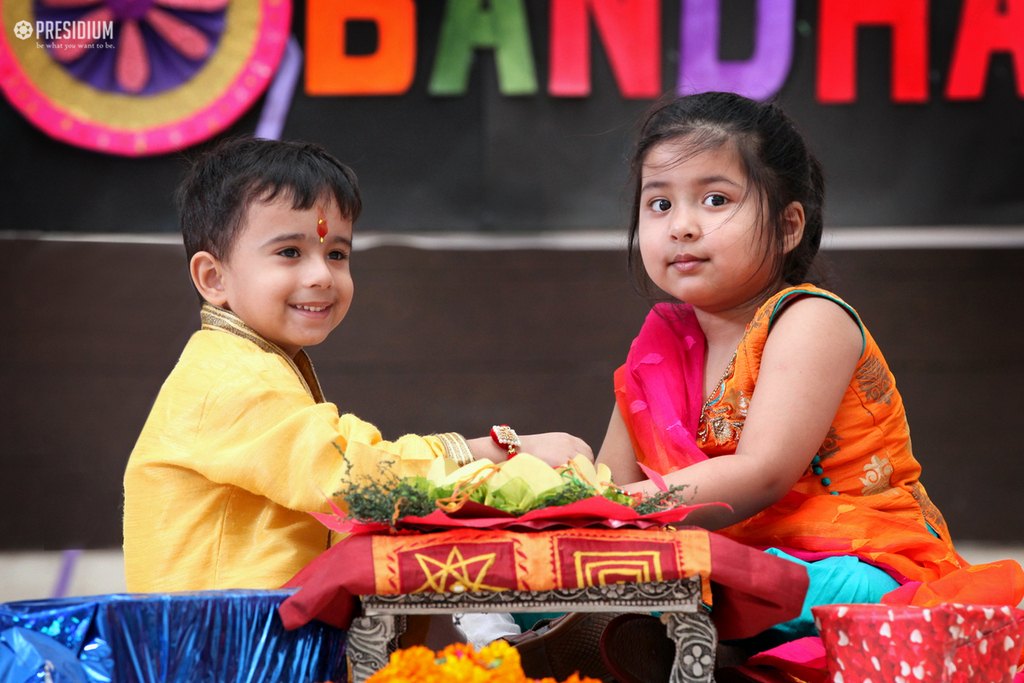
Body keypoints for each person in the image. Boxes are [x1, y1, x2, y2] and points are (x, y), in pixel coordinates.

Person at [592, 92, 1022, 669]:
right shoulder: (657, 348)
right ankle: (672, 632)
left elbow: (760, 473)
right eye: (660, 204)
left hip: (856, 567)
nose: (683, 227)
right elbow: (608, 494)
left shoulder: (810, 319)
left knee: (807, 585)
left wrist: (609, 508)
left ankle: (683, 633)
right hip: (716, 562)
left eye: (715, 199)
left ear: (789, 224)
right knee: (553, 580)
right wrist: (551, 492)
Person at [123, 138, 590, 594]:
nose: (322, 275)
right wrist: (502, 449)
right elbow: (355, 479)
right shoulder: (230, 379)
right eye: (290, 252)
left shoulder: (250, 362)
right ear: (214, 277)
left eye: (337, 254)